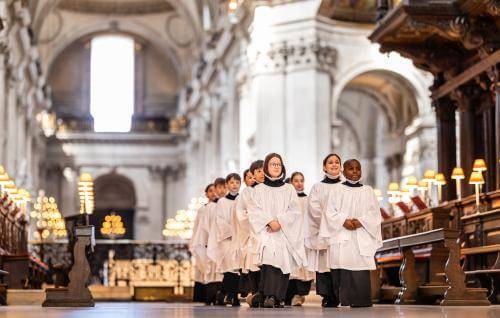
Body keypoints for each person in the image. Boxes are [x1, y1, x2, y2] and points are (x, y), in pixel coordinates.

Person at [247, 153, 307, 308]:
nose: (275, 167)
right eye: (272, 164)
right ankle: (267, 294)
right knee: (268, 262)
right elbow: (254, 210)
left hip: (284, 232)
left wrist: (280, 221)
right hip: (266, 232)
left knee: (282, 263)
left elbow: (295, 211)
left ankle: (274, 296)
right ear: (266, 166)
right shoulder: (258, 189)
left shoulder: (289, 189)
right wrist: (269, 221)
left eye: (278, 164)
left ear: (282, 167)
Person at [323, 159, 382, 307]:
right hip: (342, 234)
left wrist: (361, 221)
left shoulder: (367, 190)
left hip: (361, 233)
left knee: (360, 266)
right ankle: (345, 299)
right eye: (351, 169)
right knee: (343, 264)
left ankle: (361, 300)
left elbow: (374, 213)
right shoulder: (336, 190)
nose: (355, 171)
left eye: (358, 168)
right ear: (343, 172)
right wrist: (343, 220)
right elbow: (329, 212)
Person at [306, 153, 342, 307]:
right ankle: (327, 296)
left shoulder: (346, 187)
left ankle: (339, 294)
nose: (334, 165)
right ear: (324, 167)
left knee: (338, 264)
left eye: (337, 162)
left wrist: (340, 221)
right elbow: (314, 209)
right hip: (323, 231)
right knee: (324, 266)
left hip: (341, 231)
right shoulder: (317, 187)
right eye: (330, 162)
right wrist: (331, 221)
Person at [209, 173, 242, 306]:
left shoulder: (242, 199)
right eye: (232, 182)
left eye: (237, 182)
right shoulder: (222, 202)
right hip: (227, 239)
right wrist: (231, 232)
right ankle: (232, 296)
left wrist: (241, 232)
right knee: (230, 267)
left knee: (237, 268)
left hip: (240, 239)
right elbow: (220, 221)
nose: (234, 185)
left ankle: (225, 294)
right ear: (227, 185)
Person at [285, 172, 314, 306]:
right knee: (291, 268)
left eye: (301, 180)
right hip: (290, 238)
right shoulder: (287, 200)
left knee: (304, 269)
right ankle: (288, 295)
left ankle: (299, 294)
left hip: (304, 238)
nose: (299, 183)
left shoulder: (309, 199)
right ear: (290, 182)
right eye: (296, 180)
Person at [238, 160, 265, 306]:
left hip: (269, 231)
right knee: (253, 263)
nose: (261, 173)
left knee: (268, 265)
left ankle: (267, 294)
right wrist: (251, 216)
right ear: (253, 174)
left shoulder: (272, 189)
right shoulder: (248, 191)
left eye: (263, 170)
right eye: (258, 171)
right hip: (253, 232)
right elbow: (241, 212)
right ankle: (255, 292)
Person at [189, 183, 217, 303]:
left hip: (215, 242)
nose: (213, 193)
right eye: (210, 191)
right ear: (206, 194)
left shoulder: (219, 207)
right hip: (203, 241)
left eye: (214, 190)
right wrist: (195, 241)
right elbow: (197, 227)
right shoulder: (202, 209)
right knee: (203, 268)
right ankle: (203, 296)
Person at [204, 177, 228, 305]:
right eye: (218, 188)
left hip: (226, 240)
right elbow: (206, 226)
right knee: (213, 269)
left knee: (225, 269)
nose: (220, 190)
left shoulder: (229, 202)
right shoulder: (210, 207)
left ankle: (224, 295)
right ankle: (213, 296)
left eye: (224, 187)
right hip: (214, 240)